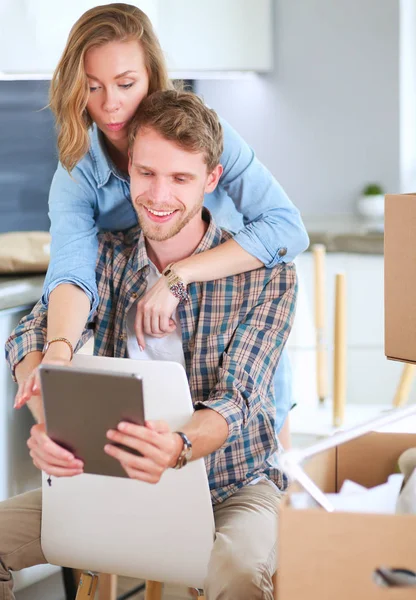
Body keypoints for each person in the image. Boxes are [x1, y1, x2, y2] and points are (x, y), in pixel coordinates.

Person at [3, 90, 297, 600]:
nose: (159, 197)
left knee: (239, 574)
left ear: (211, 180)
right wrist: (49, 419)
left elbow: (240, 398)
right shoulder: (105, 258)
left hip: (232, 486)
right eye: (146, 174)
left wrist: (179, 446)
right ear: (129, 171)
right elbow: (30, 332)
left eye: (181, 178)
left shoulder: (269, 278)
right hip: (113, 481)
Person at [11, 3, 308, 442]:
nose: (110, 105)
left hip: (226, 323)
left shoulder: (208, 135)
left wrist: (178, 276)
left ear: (151, 75)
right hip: (153, 370)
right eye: (92, 88)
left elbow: (287, 230)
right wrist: (58, 350)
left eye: (126, 84)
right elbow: (72, 273)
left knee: (254, 459)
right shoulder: (78, 173)